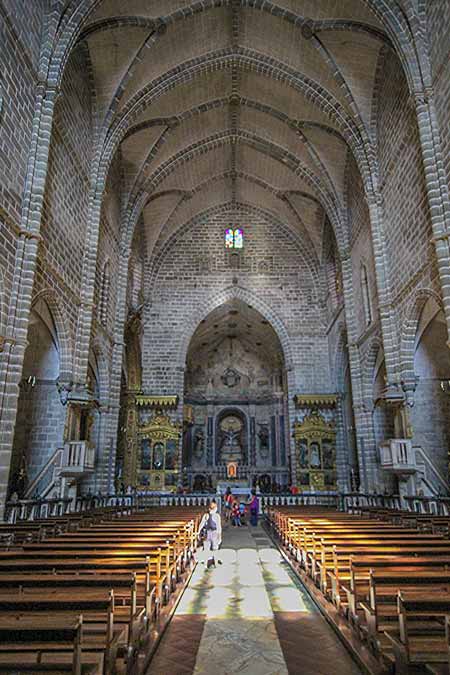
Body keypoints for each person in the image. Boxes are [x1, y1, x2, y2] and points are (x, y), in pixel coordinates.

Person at [198, 500, 222, 567]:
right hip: (214, 533)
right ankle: (216, 563)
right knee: (215, 549)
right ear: (215, 508)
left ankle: (205, 563)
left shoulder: (206, 515)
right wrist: (220, 536)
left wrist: (198, 532)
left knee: (206, 549)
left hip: (207, 533)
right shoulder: (217, 516)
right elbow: (219, 527)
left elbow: (201, 524)